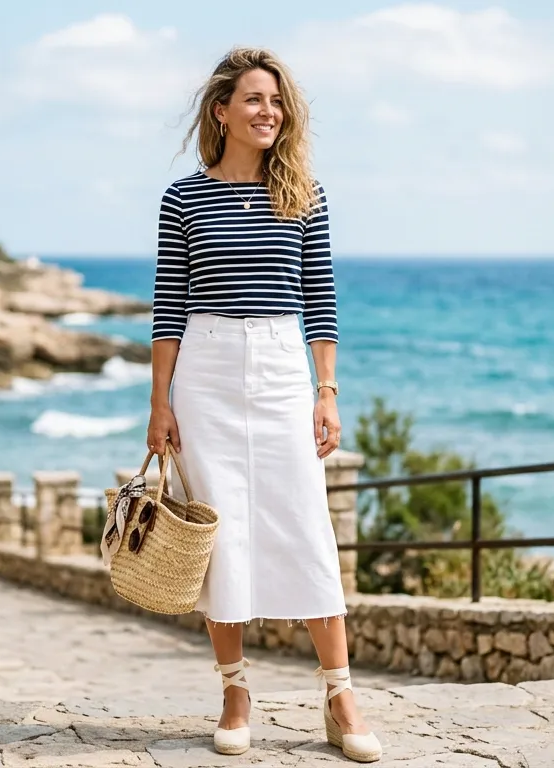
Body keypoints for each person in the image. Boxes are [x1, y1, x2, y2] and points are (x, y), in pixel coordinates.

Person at [145, 48, 379, 762]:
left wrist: (328, 390)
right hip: (206, 371)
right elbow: (169, 306)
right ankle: (235, 690)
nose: (267, 112)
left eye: (275, 101)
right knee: (222, 535)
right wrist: (160, 403)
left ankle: (340, 695)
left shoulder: (305, 194)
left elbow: (320, 299)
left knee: (305, 521)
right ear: (222, 111)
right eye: (252, 100)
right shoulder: (183, 199)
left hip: (282, 370)